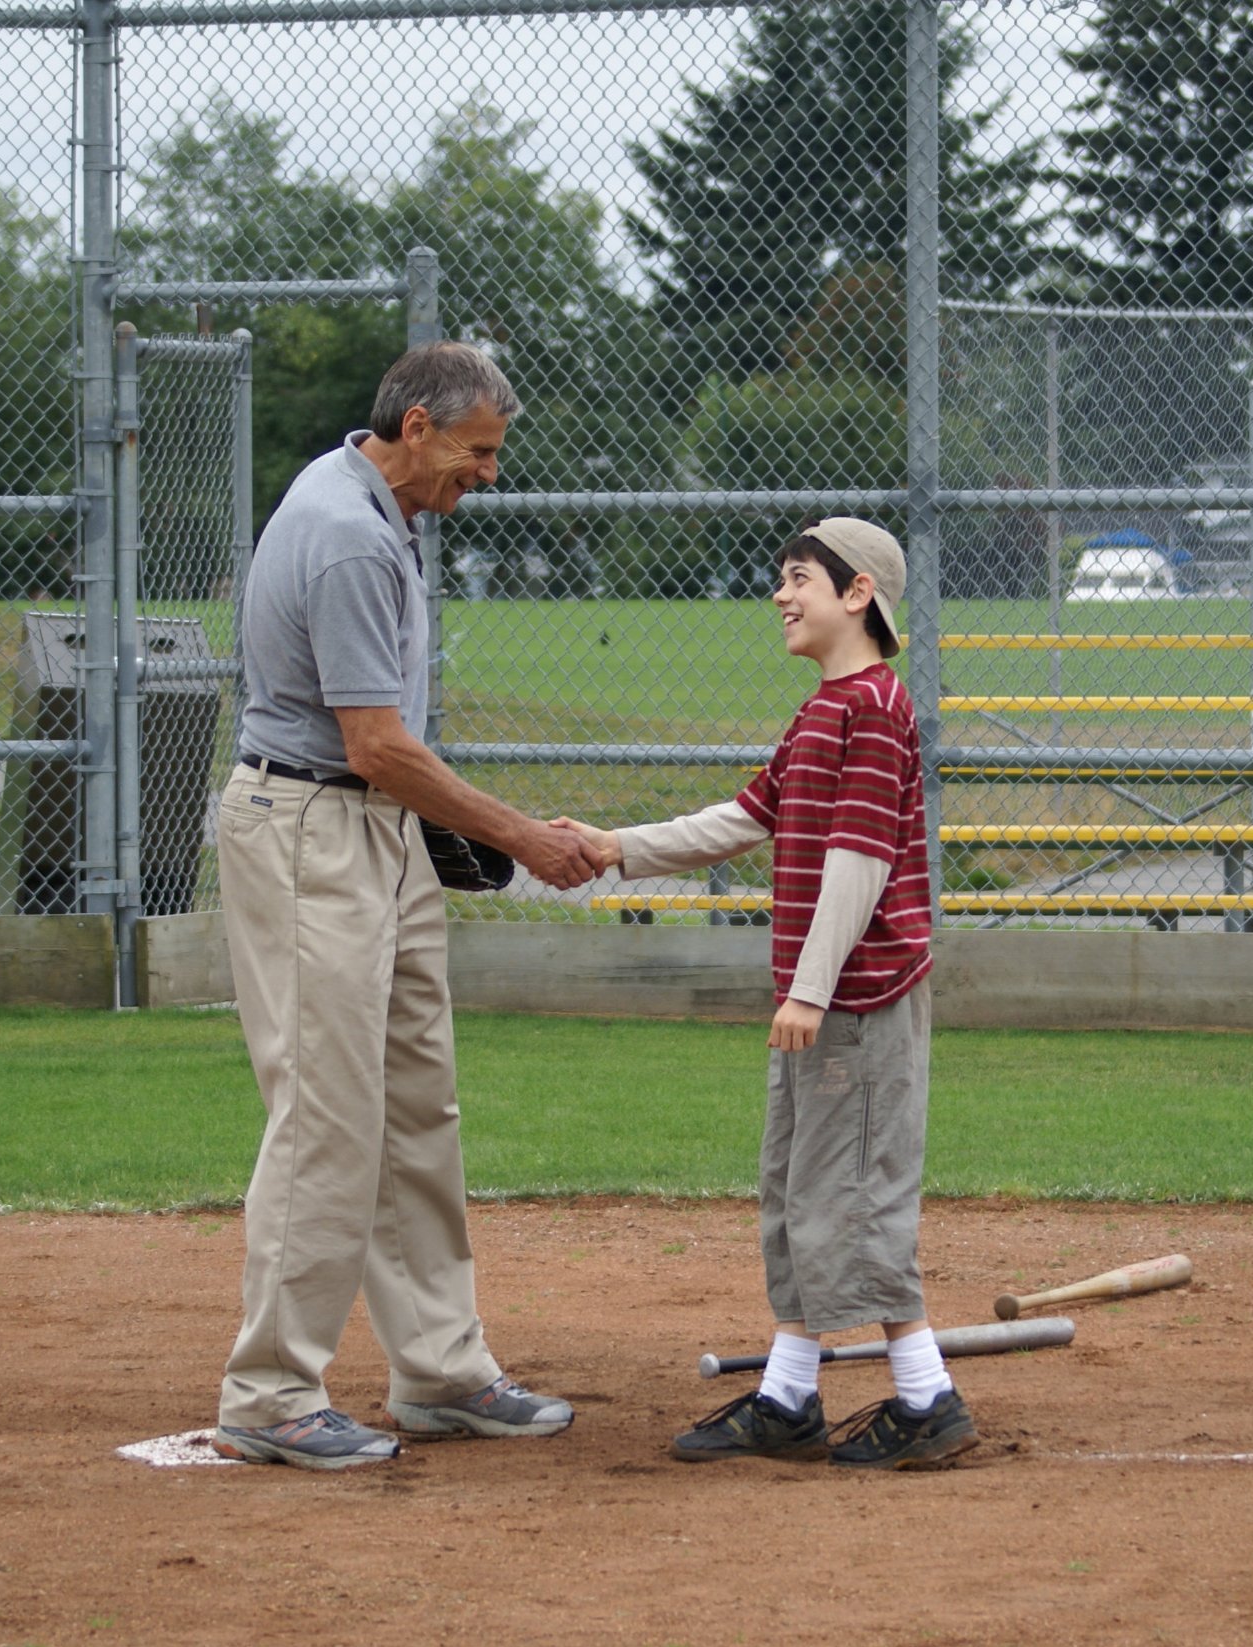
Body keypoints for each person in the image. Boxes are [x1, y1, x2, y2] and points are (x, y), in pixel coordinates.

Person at [211, 342, 601, 1471]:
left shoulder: (382, 515)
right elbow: (374, 744)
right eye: (477, 453)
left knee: (416, 1104)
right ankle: (271, 1389)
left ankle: (439, 1368)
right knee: (328, 1113)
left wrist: (439, 832)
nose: (487, 476)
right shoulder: (344, 534)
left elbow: (383, 755)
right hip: (310, 832)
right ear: (417, 426)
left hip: (373, 836)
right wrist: (519, 835)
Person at [558, 518, 975, 1470]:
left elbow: (861, 860)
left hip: (857, 1000)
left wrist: (811, 990)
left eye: (799, 580)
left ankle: (927, 1398)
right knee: (799, 1191)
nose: (781, 596)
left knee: (855, 1196)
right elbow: (743, 818)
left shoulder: (874, 706)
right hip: (823, 1000)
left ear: (858, 593)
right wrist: (616, 848)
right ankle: (790, 1396)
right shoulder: (824, 710)